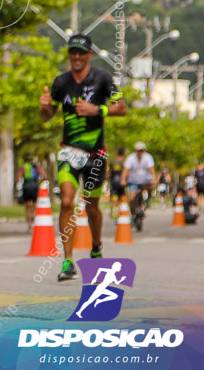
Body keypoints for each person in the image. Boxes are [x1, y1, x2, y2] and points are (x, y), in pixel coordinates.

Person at [39, 33, 126, 282]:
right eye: (72, 52)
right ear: (69, 55)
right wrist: (44, 106)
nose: (76, 57)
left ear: (89, 54)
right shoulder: (60, 82)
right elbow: (47, 116)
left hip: (95, 156)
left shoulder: (103, 79)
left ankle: (96, 248)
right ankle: (68, 261)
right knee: (67, 202)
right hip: (69, 151)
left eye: (81, 52)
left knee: (92, 207)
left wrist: (98, 109)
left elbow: (122, 107)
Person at [121, 142, 155, 223]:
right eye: (138, 150)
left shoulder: (148, 158)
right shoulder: (130, 158)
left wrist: (153, 178)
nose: (140, 152)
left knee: (151, 187)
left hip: (144, 181)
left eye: (141, 150)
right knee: (132, 198)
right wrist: (123, 179)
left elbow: (151, 169)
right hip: (133, 181)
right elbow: (126, 170)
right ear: (135, 150)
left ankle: (148, 200)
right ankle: (133, 215)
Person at [16, 153, 46, 230]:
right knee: (35, 205)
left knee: (27, 207)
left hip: (26, 187)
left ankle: (29, 224)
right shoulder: (36, 167)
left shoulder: (23, 167)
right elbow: (44, 176)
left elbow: (18, 179)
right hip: (34, 187)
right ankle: (34, 217)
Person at [106, 147, 127, 219]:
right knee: (122, 198)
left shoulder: (113, 161)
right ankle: (119, 213)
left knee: (114, 197)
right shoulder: (124, 162)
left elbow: (108, 172)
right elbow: (127, 172)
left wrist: (108, 180)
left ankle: (113, 212)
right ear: (123, 153)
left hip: (113, 182)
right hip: (122, 183)